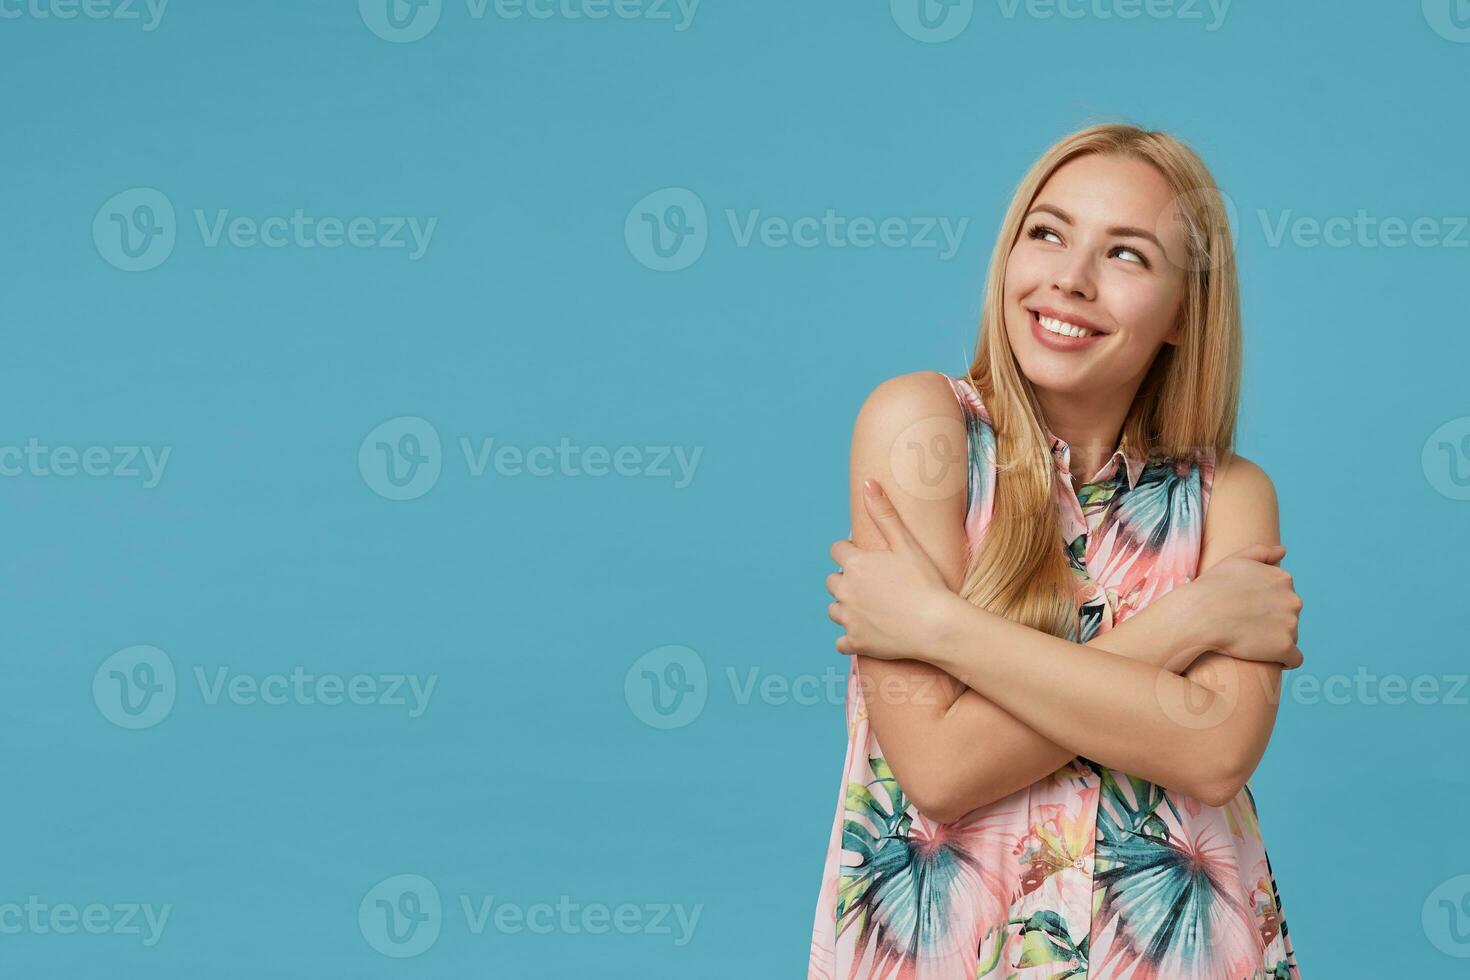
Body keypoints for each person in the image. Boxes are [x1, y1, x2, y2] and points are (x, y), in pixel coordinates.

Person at [809, 123, 1304, 979]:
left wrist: (937, 627)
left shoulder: (1234, 497)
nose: (1069, 281)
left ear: (1185, 313)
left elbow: (1213, 754)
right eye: (1048, 233)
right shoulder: (920, 430)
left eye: (1126, 256)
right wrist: (1191, 620)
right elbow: (939, 766)